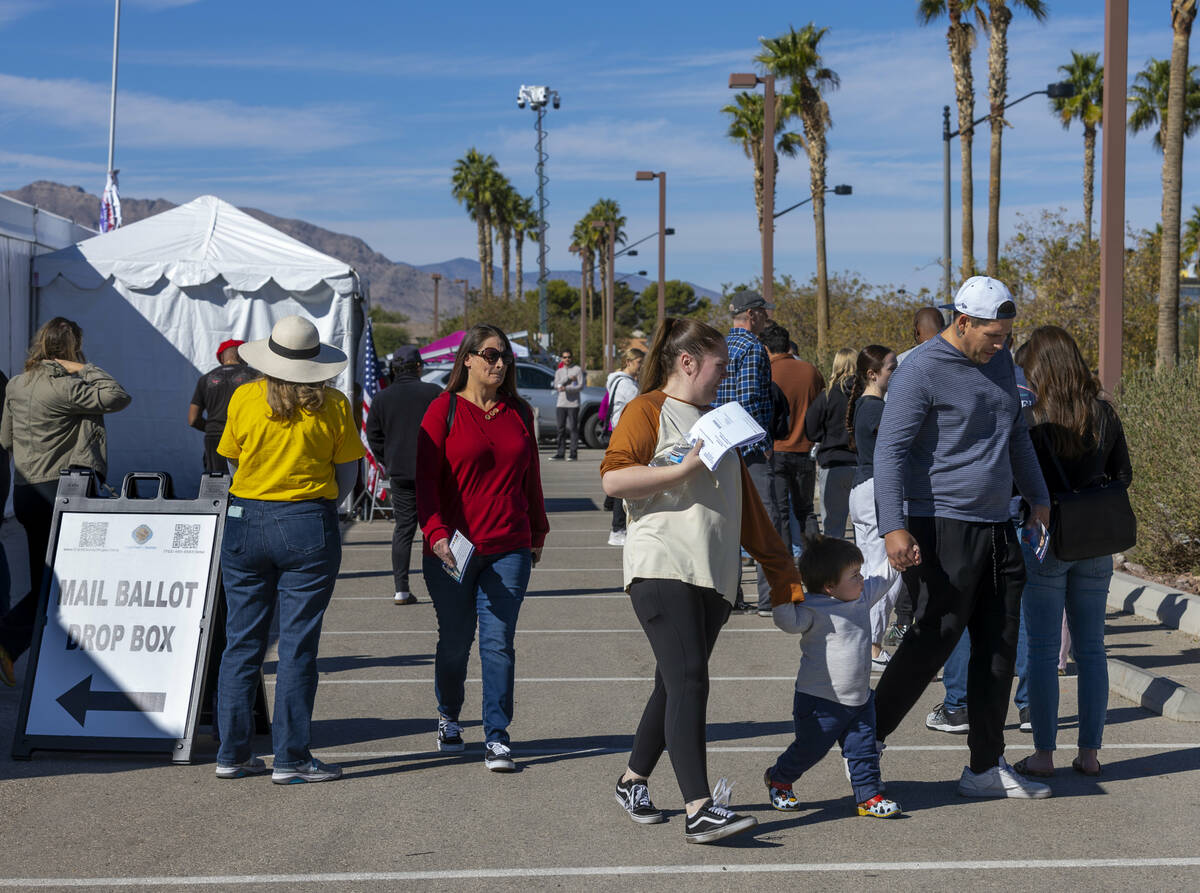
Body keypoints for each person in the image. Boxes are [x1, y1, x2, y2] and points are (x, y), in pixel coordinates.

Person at [601, 317, 803, 845]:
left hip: (713, 578)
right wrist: (682, 468)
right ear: (688, 362)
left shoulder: (722, 420)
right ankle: (699, 809)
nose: (727, 374)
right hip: (661, 565)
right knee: (691, 677)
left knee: (673, 683)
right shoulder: (646, 409)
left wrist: (783, 573)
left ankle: (631, 780)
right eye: (721, 365)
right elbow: (614, 477)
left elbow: (748, 509)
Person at [872, 276, 1053, 800]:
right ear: (963, 321)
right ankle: (868, 739)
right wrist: (893, 525)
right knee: (935, 637)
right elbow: (890, 452)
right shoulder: (920, 369)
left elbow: (1015, 433)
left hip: (999, 524)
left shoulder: (1001, 364)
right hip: (939, 522)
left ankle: (984, 766)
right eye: (992, 335)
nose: (1001, 345)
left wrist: (1037, 495)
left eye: (1007, 336)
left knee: (998, 645)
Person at [214, 315, 363, 784]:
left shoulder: (243, 396)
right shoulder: (333, 403)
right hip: (306, 520)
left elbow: (231, 457)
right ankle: (291, 758)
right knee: (298, 645)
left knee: (242, 642)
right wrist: (321, 508)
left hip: (245, 518)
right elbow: (347, 475)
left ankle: (233, 753)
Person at [416, 325, 548, 772]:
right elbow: (426, 482)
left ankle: (497, 736)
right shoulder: (442, 409)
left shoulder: (518, 412)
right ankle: (449, 716)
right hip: (452, 550)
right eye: (490, 355)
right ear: (467, 359)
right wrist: (434, 533)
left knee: (498, 643)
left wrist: (538, 531)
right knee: (455, 642)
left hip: (509, 546)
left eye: (504, 357)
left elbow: (531, 479)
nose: (499, 363)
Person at [1011, 325, 1131, 779]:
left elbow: (1017, 480)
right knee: (1092, 649)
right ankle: (1090, 753)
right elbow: (1123, 475)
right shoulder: (1103, 414)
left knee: (1042, 651)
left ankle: (1044, 754)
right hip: (1095, 540)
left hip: (1045, 538)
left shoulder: (1031, 418)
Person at [0, 318, 131, 687]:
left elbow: (7, 440)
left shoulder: (16, 384)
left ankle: (44, 661)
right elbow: (119, 396)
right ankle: (9, 638)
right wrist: (84, 367)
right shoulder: (67, 386)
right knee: (66, 581)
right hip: (62, 490)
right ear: (73, 348)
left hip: (26, 490)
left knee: (51, 578)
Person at [766, 535, 903, 819]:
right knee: (808, 751)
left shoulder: (861, 596)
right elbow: (787, 622)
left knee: (864, 751)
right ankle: (779, 778)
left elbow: (883, 577)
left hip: (860, 699)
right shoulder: (812, 608)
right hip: (819, 702)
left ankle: (868, 797)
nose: (862, 579)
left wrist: (898, 559)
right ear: (829, 586)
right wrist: (780, 591)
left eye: (860, 572)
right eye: (854, 575)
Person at [713, 289, 777, 616]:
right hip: (748, 449)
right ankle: (769, 600)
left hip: (720, 446)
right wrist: (761, 445)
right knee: (765, 521)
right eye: (763, 313)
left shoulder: (720, 346)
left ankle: (730, 595)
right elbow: (750, 399)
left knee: (728, 524)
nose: (767, 318)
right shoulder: (752, 348)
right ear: (751, 315)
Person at [887, 307, 946, 644]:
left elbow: (892, 445)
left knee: (916, 571)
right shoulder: (965, 360)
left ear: (916, 330)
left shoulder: (907, 365)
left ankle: (910, 625)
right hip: (958, 494)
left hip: (919, 487)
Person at [365, 345, 443, 605]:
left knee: (404, 528)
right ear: (419, 367)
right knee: (437, 527)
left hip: (400, 472)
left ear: (394, 370)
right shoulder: (435, 394)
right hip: (433, 471)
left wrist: (388, 459)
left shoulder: (381, 398)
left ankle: (401, 588)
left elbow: (373, 436)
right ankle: (444, 584)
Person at [844, 345, 901, 671]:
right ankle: (872, 645)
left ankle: (867, 641)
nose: (895, 373)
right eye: (891, 368)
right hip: (874, 490)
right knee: (884, 571)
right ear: (872, 373)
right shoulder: (874, 410)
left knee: (880, 570)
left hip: (869, 489)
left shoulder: (871, 406)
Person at [761, 322, 824, 557]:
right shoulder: (811, 371)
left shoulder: (766, 373)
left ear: (765, 348)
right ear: (788, 345)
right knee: (806, 510)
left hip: (776, 451)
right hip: (806, 450)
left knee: (780, 512)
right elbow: (821, 408)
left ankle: (786, 571)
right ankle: (819, 564)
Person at [805, 348, 857, 539]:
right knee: (864, 526)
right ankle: (864, 568)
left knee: (833, 527)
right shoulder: (863, 395)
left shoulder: (826, 396)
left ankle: (836, 568)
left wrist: (824, 437)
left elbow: (810, 428)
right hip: (860, 464)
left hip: (833, 463)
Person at [189, 339, 257, 474]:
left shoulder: (205, 379)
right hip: (244, 438)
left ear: (221, 357)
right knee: (245, 481)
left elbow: (192, 419)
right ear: (242, 355)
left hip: (215, 438)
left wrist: (211, 428)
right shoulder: (255, 377)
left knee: (215, 486)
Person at [603, 347, 644, 546]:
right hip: (626, 435)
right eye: (638, 362)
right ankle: (618, 529)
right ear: (628, 362)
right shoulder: (628, 386)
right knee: (624, 484)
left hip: (617, 433)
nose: (641, 366)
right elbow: (635, 410)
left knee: (619, 479)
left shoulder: (615, 381)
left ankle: (617, 525)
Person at [551, 348, 583, 461]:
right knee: (560, 429)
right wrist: (568, 379)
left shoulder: (577, 370)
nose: (567, 359)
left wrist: (567, 388)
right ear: (562, 359)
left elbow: (580, 386)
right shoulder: (559, 371)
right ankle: (560, 453)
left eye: (569, 357)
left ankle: (573, 454)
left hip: (573, 404)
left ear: (572, 358)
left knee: (573, 428)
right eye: (565, 357)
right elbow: (556, 385)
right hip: (561, 404)